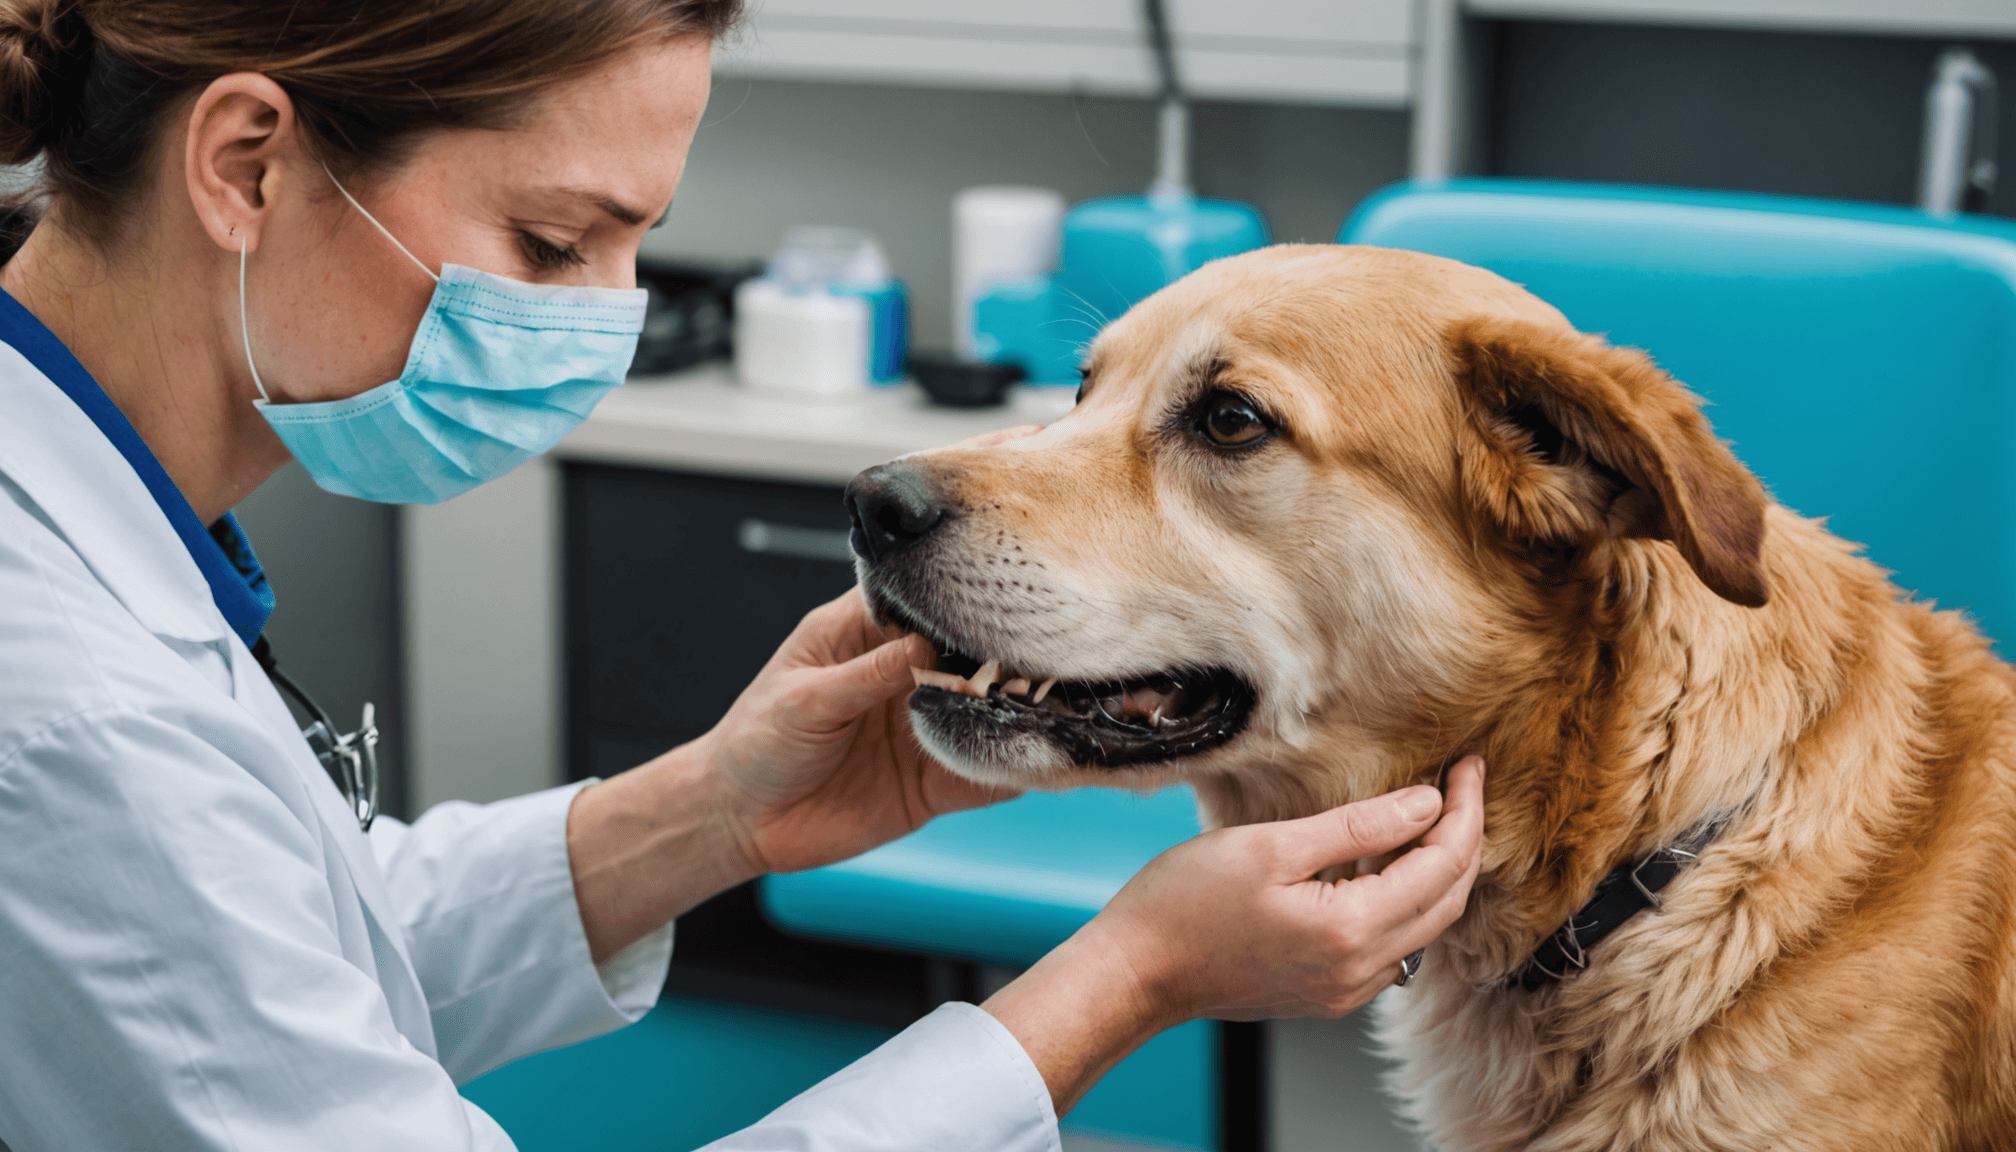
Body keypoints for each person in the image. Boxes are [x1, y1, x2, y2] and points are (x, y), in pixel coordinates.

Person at [0, 1, 1487, 1149]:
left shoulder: (94, 529)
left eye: (636, 246)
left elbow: (275, 966)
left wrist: (718, 806)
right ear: (246, 165)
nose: (613, 319)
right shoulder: (65, 704)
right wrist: (1128, 981)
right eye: (553, 239)